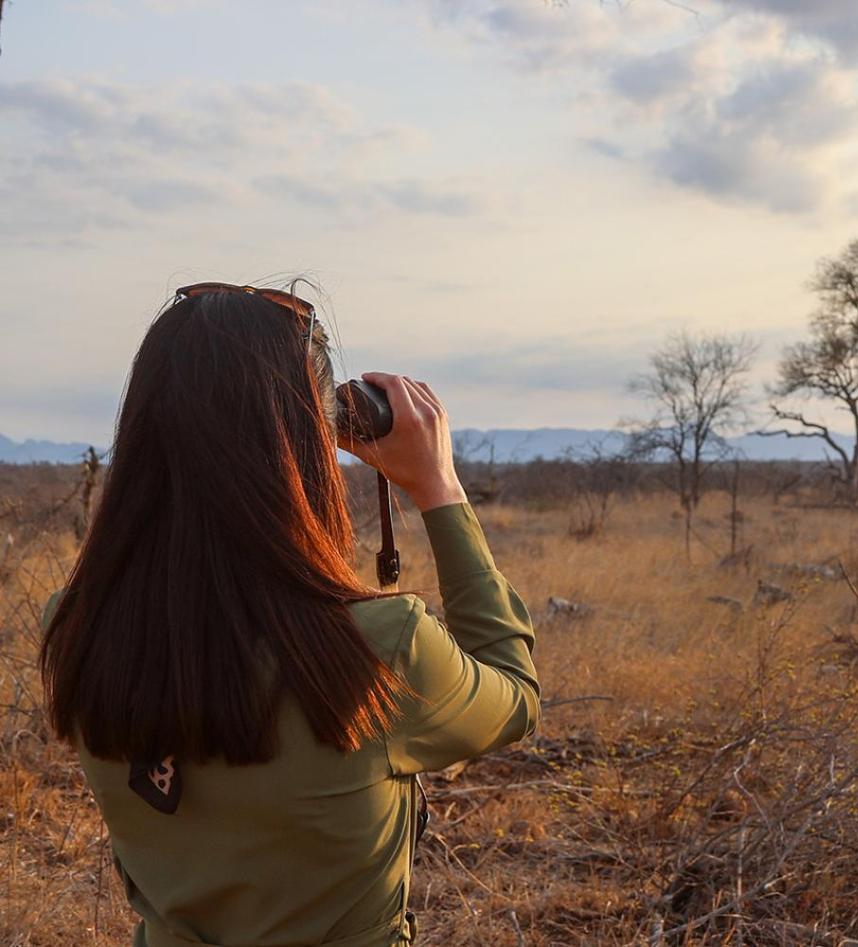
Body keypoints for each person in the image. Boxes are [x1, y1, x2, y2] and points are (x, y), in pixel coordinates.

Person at [38, 282, 540, 946]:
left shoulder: (77, 626)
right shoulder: (380, 649)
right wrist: (440, 490)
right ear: (308, 441)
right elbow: (514, 694)